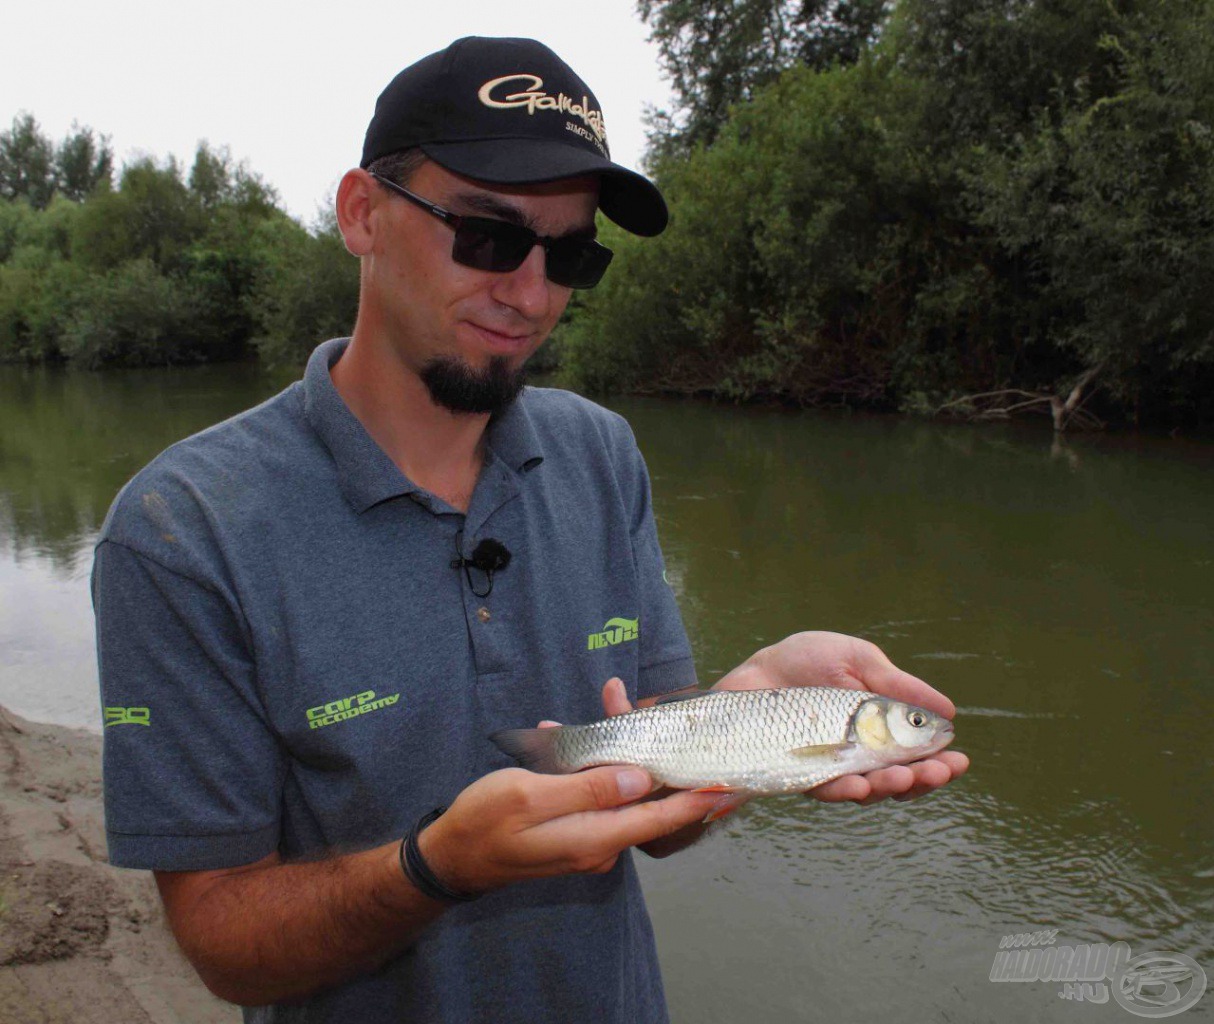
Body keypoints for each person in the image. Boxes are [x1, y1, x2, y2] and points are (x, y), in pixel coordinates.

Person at [92, 36, 968, 1024]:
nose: (530, 292)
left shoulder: (598, 452)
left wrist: (742, 716)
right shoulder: (180, 531)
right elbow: (222, 944)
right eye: (487, 236)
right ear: (361, 213)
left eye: (570, 253)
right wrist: (436, 868)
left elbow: (655, 816)